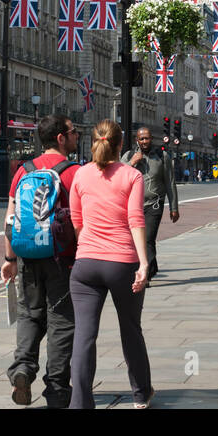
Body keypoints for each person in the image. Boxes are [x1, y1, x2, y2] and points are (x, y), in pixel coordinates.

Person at [68, 119, 153, 409]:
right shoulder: (131, 175)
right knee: (130, 328)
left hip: (86, 265)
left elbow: (76, 221)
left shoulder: (80, 175)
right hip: (122, 264)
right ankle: (140, 395)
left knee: (84, 334)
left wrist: (89, 247)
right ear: (120, 144)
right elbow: (136, 220)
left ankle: (80, 402)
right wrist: (144, 263)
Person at [1, 115, 81, 409]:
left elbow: (10, 218)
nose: (76, 136)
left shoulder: (24, 170)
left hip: (27, 256)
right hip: (62, 259)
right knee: (62, 322)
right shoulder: (74, 173)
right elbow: (82, 221)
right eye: (73, 132)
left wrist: (9, 258)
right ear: (60, 138)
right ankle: (58, 389)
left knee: (30, 315)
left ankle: (22, 369)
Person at [120, 126, 179, 278]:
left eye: (147, 138)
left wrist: (174, 208)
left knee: (147, 239)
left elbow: (170, 182)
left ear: (151, 139)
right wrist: (131, 163)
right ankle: (152, 268)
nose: (145, 141)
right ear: (137, 140)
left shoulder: (162, 156)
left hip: (154, 203)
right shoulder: (129, 155)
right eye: (142, 139)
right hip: (134, 206)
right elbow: (118, 176)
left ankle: (145, 274)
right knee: (138, 240)